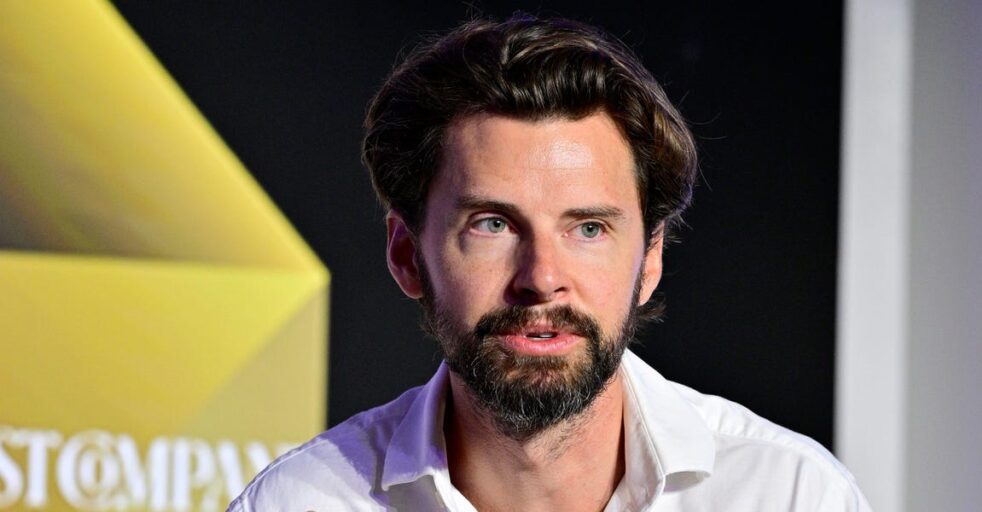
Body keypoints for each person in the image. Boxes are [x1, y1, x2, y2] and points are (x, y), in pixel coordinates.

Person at [228, 14, 871, 512]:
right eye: (492, 224)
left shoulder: (788, 494)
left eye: (588, 228)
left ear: (650, 259)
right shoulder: (302, 502)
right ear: (406, 255)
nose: (541, 278)